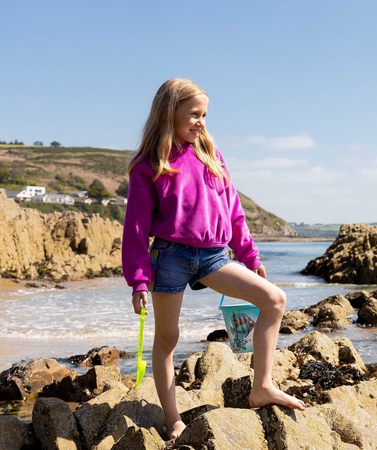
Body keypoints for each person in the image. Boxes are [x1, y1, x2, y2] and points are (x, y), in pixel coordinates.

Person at [122, 78, 305, 440]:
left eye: (204, 114)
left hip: (213, 257)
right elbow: (136, 229)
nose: (201, 122)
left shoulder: (211, 156)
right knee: (167, 338)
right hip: (169, 256)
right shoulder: (147, 166)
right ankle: (173, 418)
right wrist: (139, 280)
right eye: (193, 114)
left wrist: (250, 254)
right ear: (168, 113)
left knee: (274, 299)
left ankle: (262, 386)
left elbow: (234, 212)